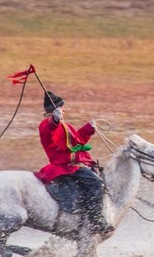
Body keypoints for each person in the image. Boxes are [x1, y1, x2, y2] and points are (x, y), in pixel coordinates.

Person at [33, 91, 114, 234]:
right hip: (63, 167)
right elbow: (49, 133)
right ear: (56, 109)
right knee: (96, 183)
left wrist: (88, 129)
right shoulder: (46, 124)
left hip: (72, 165)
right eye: (62, 107)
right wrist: (54, 120)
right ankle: (96, 221)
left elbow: (77, 141)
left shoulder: (66, 125)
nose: (64, 109)